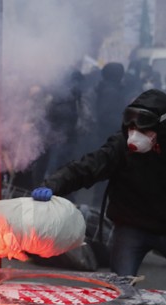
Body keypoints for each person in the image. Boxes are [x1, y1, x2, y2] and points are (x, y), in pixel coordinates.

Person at [32, 88, 166, 277]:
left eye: (144, 126)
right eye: (131, 124)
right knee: (120, 288)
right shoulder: (121, 146)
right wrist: (52, 185)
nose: (135, 132)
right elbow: (86, 167)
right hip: (131, 226)